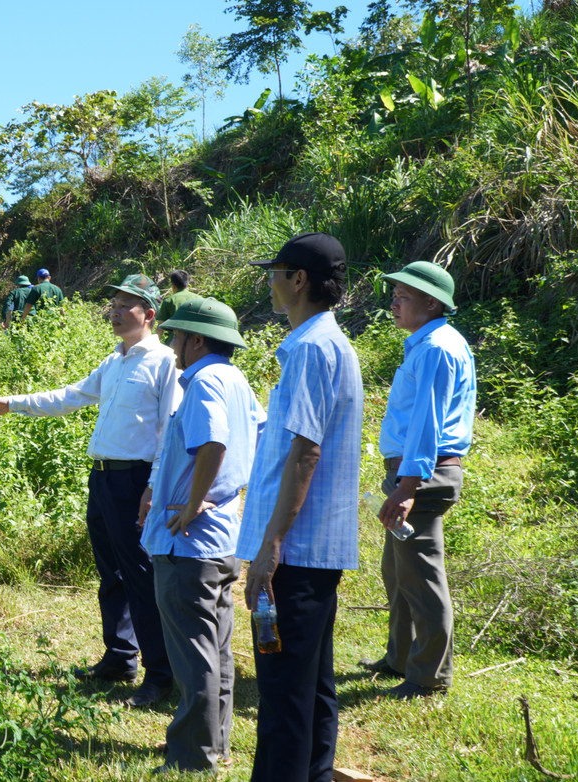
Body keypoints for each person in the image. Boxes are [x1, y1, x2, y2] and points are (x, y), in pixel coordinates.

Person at [0, 274, 180, 707]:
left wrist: (153, 485)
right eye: (115, 303)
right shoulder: (115, 362)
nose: (117, 311)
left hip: (135, 481)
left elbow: (169, 428)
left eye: (128, 305)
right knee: (113, 573)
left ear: (150, 314)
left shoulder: (165, 362)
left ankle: (160, 674)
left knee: (141, 576)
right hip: (104, 477)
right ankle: (120, 657)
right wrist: (13, 402)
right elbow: (70, 397)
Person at [238, 233, 363, 782]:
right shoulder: (324, 343)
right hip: (311, 550)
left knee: (284, 694)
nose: (269, 281)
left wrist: (270, 548)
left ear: (300, 280)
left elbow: (306, 452)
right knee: (311, 686)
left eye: (276, 272)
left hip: (297, 551)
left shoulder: (313, 348)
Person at [138, 297, 264, 774]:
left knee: (194, 655)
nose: (171, 347)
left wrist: (192, 502)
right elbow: (261, 433)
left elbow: (214, 442)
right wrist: (229, 491)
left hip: (189, 543)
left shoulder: (207, 380)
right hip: (222, 538)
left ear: (196, 339)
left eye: (176, 336)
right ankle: (216, 742)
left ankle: (194, 756)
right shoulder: (236, 381)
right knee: (216, 649)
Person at [359, 261, 476, 700]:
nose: (394, 302)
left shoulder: (436, 348)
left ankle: (428, 677)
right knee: (398, 569)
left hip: (424, 475)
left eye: (403, 296)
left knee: (422, 576)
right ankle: (400, 657)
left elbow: (427, 421)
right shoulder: (428, 343)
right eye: (394, 294)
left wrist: (407, 487)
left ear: (431, 302)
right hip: (414, 473)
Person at [156, 269, 195, 340]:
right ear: (188, 284)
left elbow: (160, 327)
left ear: (173, 285)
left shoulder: (169, 300)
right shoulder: (200, 299)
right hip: (195, 343)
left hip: (175, 342)